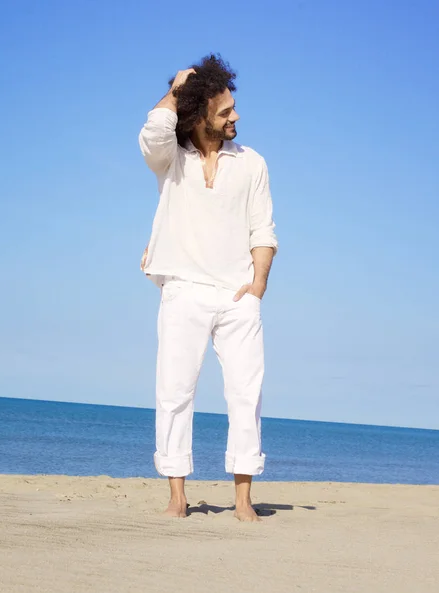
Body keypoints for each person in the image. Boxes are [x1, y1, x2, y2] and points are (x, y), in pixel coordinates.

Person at [138, 54, 278, 522]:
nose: (235, 116)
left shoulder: (252, 163)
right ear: (198, 117)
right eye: (224, 111)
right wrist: (178, 90)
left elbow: (264, 230)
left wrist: (257, 286)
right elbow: (153, 132)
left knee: (246, 396)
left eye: (233, 107)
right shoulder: (171, 160)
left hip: (238, 297)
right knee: (175, 394)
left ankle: (242, 500)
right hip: (184, 290)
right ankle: (178, 496)